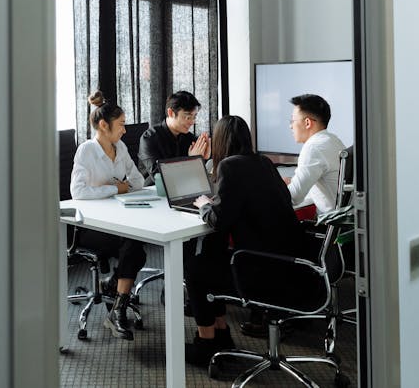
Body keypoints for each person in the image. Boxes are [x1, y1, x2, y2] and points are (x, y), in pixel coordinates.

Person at [184, 115, 304, 366]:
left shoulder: (229, 166)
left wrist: (205, 204)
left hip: (260, 272)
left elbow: (219, 219)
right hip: (290, 266)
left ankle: (207, 342)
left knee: (196, 270)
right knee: (212, 257)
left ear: (220, 141)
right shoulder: (264, 163)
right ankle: (221, 334)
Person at [69, 90, 147, 340]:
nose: (125, 130)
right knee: (133, 246)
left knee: (136, 247)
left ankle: (116, 298)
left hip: (117, 221)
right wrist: (115, 187)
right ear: (104, 125)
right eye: (121, 124)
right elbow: (78, 191)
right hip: (90, 228)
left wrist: (120, 187)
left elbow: (137, 181)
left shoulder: (120, 147)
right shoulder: (86, 150)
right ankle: (117, 301)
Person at [284, 94, 345, 215]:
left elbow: (292, 198)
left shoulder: (313, 148)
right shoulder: (333, 140)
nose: (290, 126)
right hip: (344, 222)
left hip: (330, 225)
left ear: (307, 123)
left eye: (293, 120)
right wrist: (292, 181)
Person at [137, 90, 210, 180]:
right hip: (154, 190)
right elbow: (158, 176)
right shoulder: (149, 138)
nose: (192, 122)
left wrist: (204, 158)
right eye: (188, 117)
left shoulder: (189, 138)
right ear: (171, 113)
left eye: (194, 117)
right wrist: (191, 161)